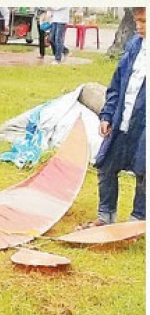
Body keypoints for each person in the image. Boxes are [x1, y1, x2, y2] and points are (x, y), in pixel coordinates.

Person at [80, 7, 146, 228]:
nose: (139, 26)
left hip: (144, 124)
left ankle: (138, 220)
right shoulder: (134, 46)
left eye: (144, 22)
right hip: (122, 118)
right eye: (137, 21)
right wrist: (107, 115)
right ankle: (105, 215)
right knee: (106, 164)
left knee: (144, 171)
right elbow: (117, 83)